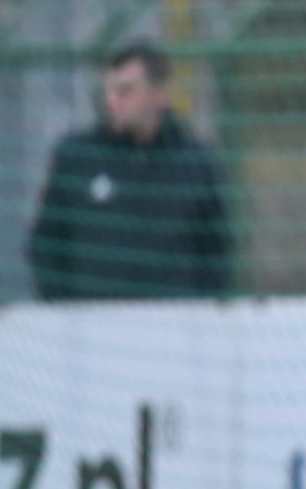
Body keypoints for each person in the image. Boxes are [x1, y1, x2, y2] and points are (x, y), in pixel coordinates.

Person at [29, 43, 230, 300]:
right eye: (108, 91)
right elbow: (46, 242)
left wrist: (197, 307)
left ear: (159, 94)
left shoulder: (196, 162)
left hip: (174, 325)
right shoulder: (77, 157)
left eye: (125, 91)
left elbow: (215, 250)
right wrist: (66, 308)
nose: (112, 101)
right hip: (92, 324)